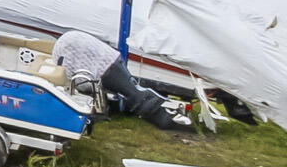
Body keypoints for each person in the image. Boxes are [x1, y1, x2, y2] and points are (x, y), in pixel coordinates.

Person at [51, 28, 191, 131]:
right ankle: (169, 116)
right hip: (110, 59)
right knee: (135, 92)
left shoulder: (61, 53)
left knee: (136, 97)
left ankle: (169, 121)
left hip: (105, 67)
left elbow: (75, 81)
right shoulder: (66, 41)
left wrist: (85, 88)